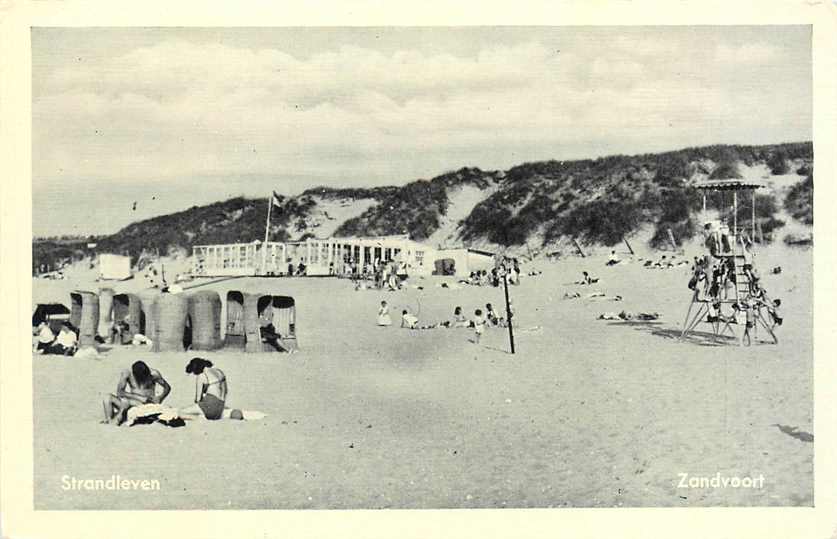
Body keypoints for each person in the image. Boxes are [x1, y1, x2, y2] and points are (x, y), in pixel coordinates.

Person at [102, 361, 171, 425]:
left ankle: (118, 419)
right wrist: (139, 397)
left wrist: (160, 397)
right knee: (107, 397)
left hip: (145, 405)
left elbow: (167, 387)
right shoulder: (127, 373)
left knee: (126, 402)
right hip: (130, 403)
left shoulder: (153, 374)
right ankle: (109, 420)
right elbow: (120, 392)